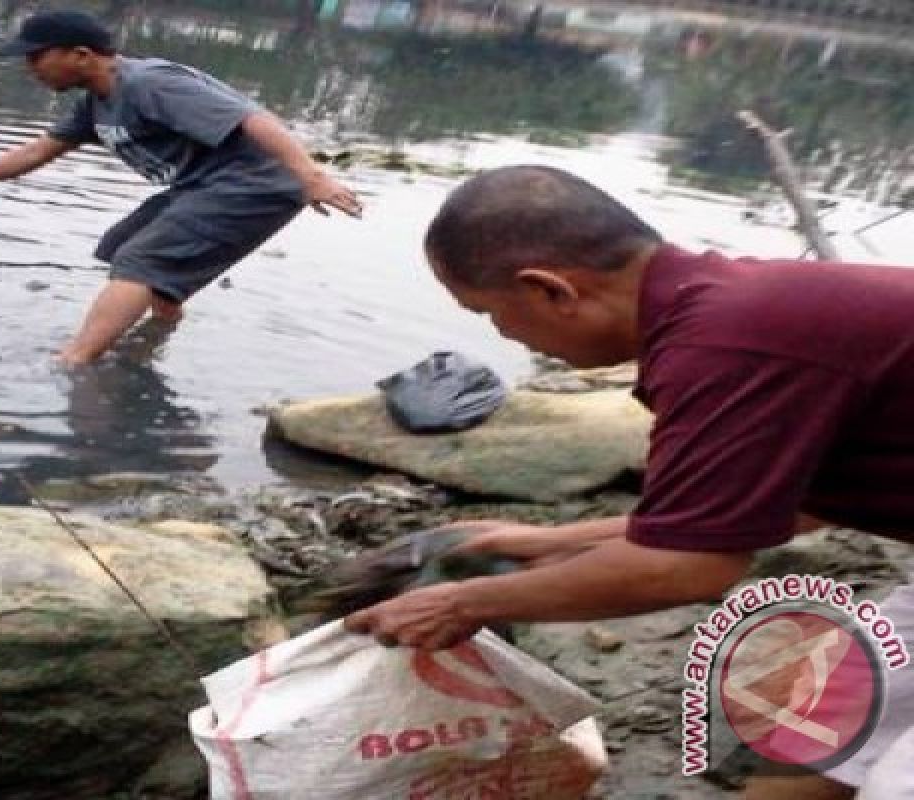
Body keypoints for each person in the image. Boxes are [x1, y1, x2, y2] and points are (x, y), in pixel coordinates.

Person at [344, 165, 913, 799]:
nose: (501, 335)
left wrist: (460, 602)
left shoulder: (725, 346)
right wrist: (552, 543)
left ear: (552, 290)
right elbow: (786, 507)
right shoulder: (732, 311)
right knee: (824, 730)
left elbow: (687, 568)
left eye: (489, 314)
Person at [0, 9, 361, 365]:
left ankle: (75, 362)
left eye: (36, 57)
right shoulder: (95, 102)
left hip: (255, 183)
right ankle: (154, 338)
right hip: (204, 185)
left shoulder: (151, 83)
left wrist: (313, 177)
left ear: (81, 54)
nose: (31, 68)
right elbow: (37, 152)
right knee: (122, 245)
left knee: (140, 262)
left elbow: (253, 118)